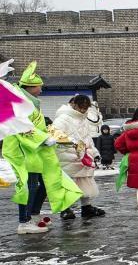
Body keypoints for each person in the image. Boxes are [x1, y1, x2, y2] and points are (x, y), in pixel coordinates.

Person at [2, 63, 83, 234]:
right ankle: (24, 222)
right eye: (39, 87)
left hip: (35, 150)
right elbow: (22, 128)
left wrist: (52, 136)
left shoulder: (30, 102)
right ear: (31, 87)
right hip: (22, 151)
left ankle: (33, 214)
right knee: (28, 185)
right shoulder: (19, 103)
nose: (41, 90)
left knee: (44, 183)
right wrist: (44, 139)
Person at [52, 95, 105, 220]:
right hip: (68, 156)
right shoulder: (62, 118)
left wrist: (95, 152)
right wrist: (74, 144)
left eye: (85, 108)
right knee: (68, 184)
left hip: (83, 156)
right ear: (74, 105)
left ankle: (86, 207)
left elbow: (88, 138)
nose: (83, 110)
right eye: (81, 107)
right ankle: (65, 209)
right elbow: (55, 135)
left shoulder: (83, 119)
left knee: (86, 182)